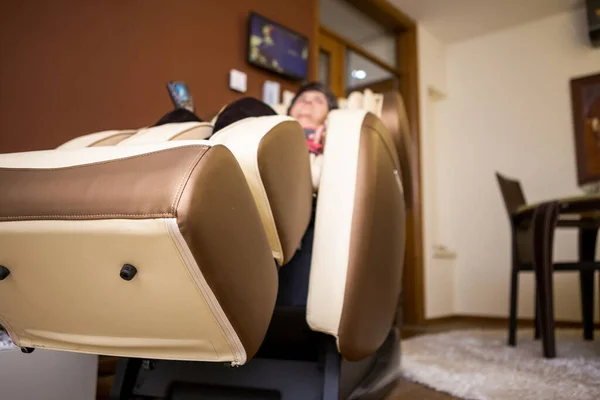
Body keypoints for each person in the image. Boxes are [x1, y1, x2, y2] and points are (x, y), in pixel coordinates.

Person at [287, 82, 338, 156]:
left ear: (330, 113)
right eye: (301, 100)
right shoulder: (271, 134)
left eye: (318, 101)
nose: (307, 103)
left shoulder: (336, 143)